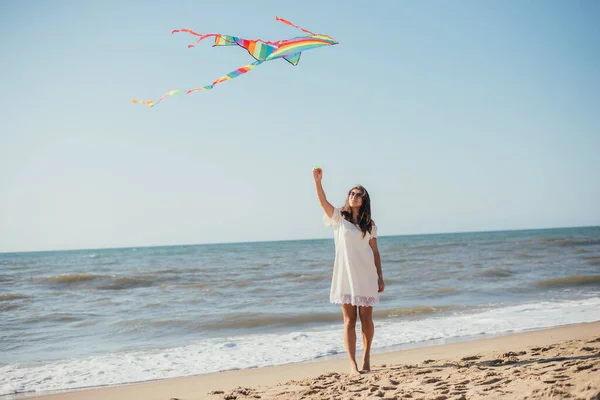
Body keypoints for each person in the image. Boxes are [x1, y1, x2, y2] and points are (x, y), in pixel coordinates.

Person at [313, 167, 385, 375]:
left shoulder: (369, 225)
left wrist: (380, 277)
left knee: (366, 319)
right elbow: (322, 203)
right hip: (345, 276)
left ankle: (367, 357)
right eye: (351, 194)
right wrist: (318, 183)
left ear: (364, 200)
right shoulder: (339, 218)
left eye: (358, 194)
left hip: (366, 275)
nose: (354, 196)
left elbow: (375, 252)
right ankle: (352, 364)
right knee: (349, 321)